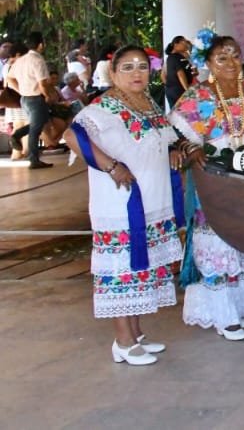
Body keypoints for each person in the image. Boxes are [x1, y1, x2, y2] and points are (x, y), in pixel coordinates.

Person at [67, 45, 184, 366]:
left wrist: (172, 152)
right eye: (128, 67)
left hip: (152, 202)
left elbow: (163, 140)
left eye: (143, 67)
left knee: (142, 269)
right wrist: (110, 166)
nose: (137, 73)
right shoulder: (102, 106)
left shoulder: (147, 104)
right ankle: (123, 340)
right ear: (114, 73)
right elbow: (72, 136)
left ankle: (136, 334)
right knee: (124, 270)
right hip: (120, 205)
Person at [168, 35, 244, 340]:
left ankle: (241, 307)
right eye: (222, 58)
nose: (230, 63)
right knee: (217, 243)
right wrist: (191, 148)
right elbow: (173, 132)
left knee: (243, 237)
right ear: (209, 63)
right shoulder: (198, 95)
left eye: (235, 56)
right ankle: (223, 315)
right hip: (214, 177)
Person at [5, 31, 59, 168]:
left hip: (25, 99)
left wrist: (21, 90)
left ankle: (17, 135)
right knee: (36, 129)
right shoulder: (37, 60)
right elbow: (42, 83)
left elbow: (9, 79)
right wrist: (47, 95)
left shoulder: (21, 60)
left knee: (38, 124)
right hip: (35, 99)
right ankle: (33, 159)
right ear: (40, 45)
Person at [163, 37, 197, 110]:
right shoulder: (173, 57)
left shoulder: (181, 57)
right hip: (179, 91)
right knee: (182, 114)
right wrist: (187, 90)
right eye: (184, 43)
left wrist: (190, 58)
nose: (186, 46)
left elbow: (195, 72)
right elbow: (180, 74)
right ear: (176, 44)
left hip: (176, 90)